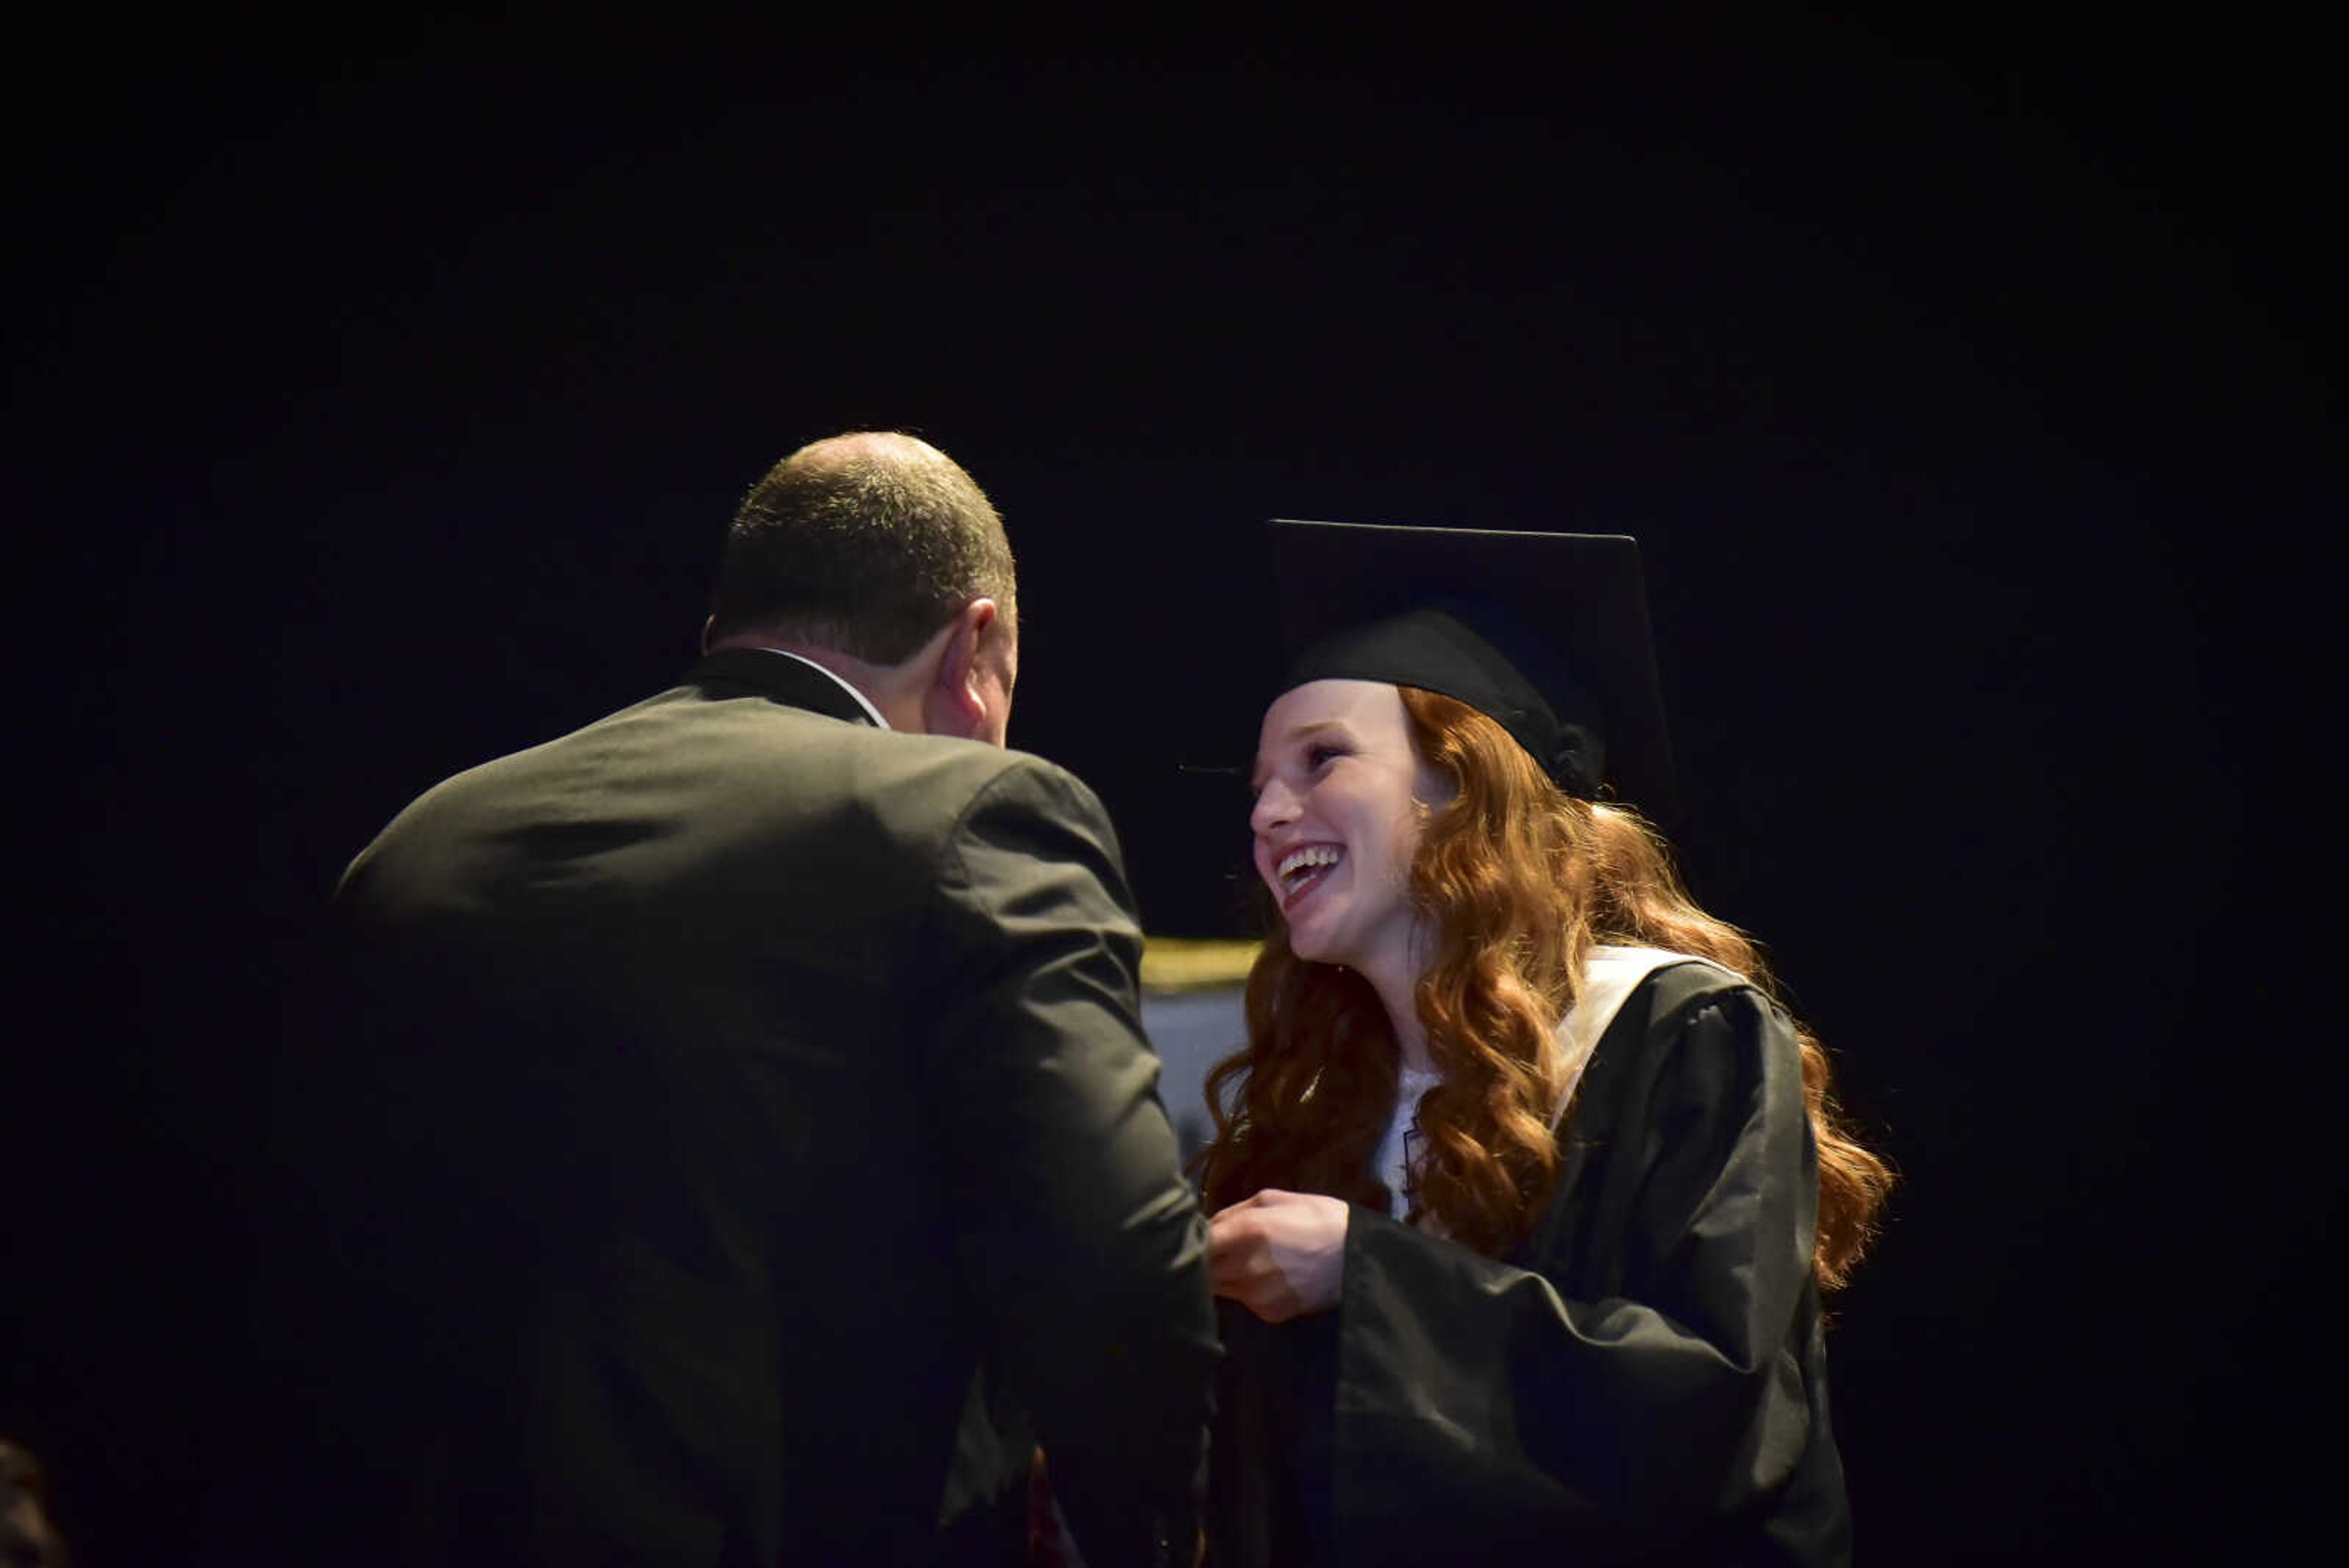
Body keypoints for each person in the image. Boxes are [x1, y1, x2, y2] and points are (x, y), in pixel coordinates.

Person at [306, 432, 1218, 1567]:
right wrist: (1153, 1538)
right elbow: (1114, 1273)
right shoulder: (973, 814)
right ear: (975, 647)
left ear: (720, 632)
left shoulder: (418, 845)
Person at [1192, 521, 1892, 1566]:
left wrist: (1367, 1277)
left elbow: (1714, 1403)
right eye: (1259, 783)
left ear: (1466, 784)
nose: (1268, 812)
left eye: (1322, 758)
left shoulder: (1681, 1035)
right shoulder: (1323, 1099)